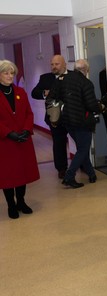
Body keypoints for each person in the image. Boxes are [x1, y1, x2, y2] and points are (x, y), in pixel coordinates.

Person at [46, 59, 101, 188]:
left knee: (82, 148)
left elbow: (51, 97)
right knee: (83, 149)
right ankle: (69, 176)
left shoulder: (62, 79)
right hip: (83, 122)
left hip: (68, 122)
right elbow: (91, 105)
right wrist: (100, 107)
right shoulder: (86, 83)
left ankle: (92, 174)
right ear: (86, 70)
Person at [0, 60, 40, 219]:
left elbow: (29, 114)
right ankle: (11, 205)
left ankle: (21, 202)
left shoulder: (20, 92)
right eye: (6, 73)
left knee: (22, 173)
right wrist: (9, 133)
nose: (10, 76)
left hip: (22, 140)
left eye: (12, 73)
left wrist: (26, 129)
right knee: (9, 175)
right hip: (5, 141)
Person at [31, 55, 69, 179]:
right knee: (59, 143)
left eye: (56, 64)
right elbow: (34, 93)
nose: (54, 67)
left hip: (72, 115)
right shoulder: (45, 78)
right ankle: (61, 169)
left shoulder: (74, 76)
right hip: (54, 118)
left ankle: (83, 164)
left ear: (64, 64)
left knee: (79, 141)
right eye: (52, 64)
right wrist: (44, 93)